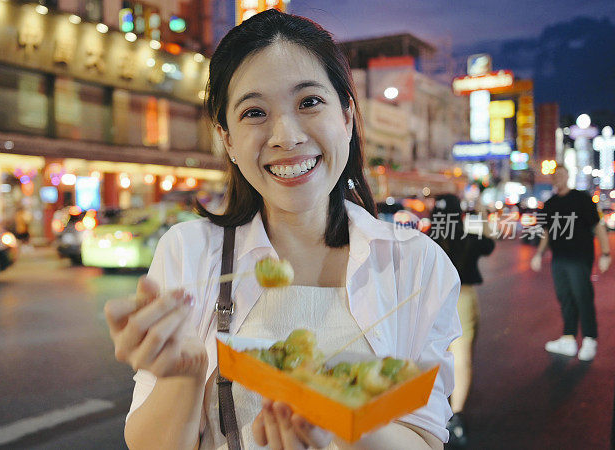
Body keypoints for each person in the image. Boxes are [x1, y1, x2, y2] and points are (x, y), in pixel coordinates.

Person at [104, 10, 460, 449]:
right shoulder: (189, 252)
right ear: (227, 138)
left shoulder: (416, 263)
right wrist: (183, 377)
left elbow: (426, 439)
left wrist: (340, 424)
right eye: (254, 112)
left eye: (309, 102)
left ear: (347, 116)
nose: (286, 136)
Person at [429, 194, 495, 447]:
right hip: (461, 299)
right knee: (461, 358)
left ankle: (432, 410)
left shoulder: (425, 239)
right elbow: (490, 243)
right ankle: (455, 416)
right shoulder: (468, 237)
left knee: (431, 355)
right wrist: (482, 214)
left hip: (430, 301)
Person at [531, 165, 610, 361]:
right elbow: (547, 232)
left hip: (580, 257)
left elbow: (597, 226)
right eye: (555, 175)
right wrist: (539, 254)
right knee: (565, 297)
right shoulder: (550, 204)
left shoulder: (582, 199)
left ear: (568, 176)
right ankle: (568, 338)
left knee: (582, 296)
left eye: (562, 174)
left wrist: (606, 253)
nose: (558, 178)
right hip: (559, 258)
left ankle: (590, 339)